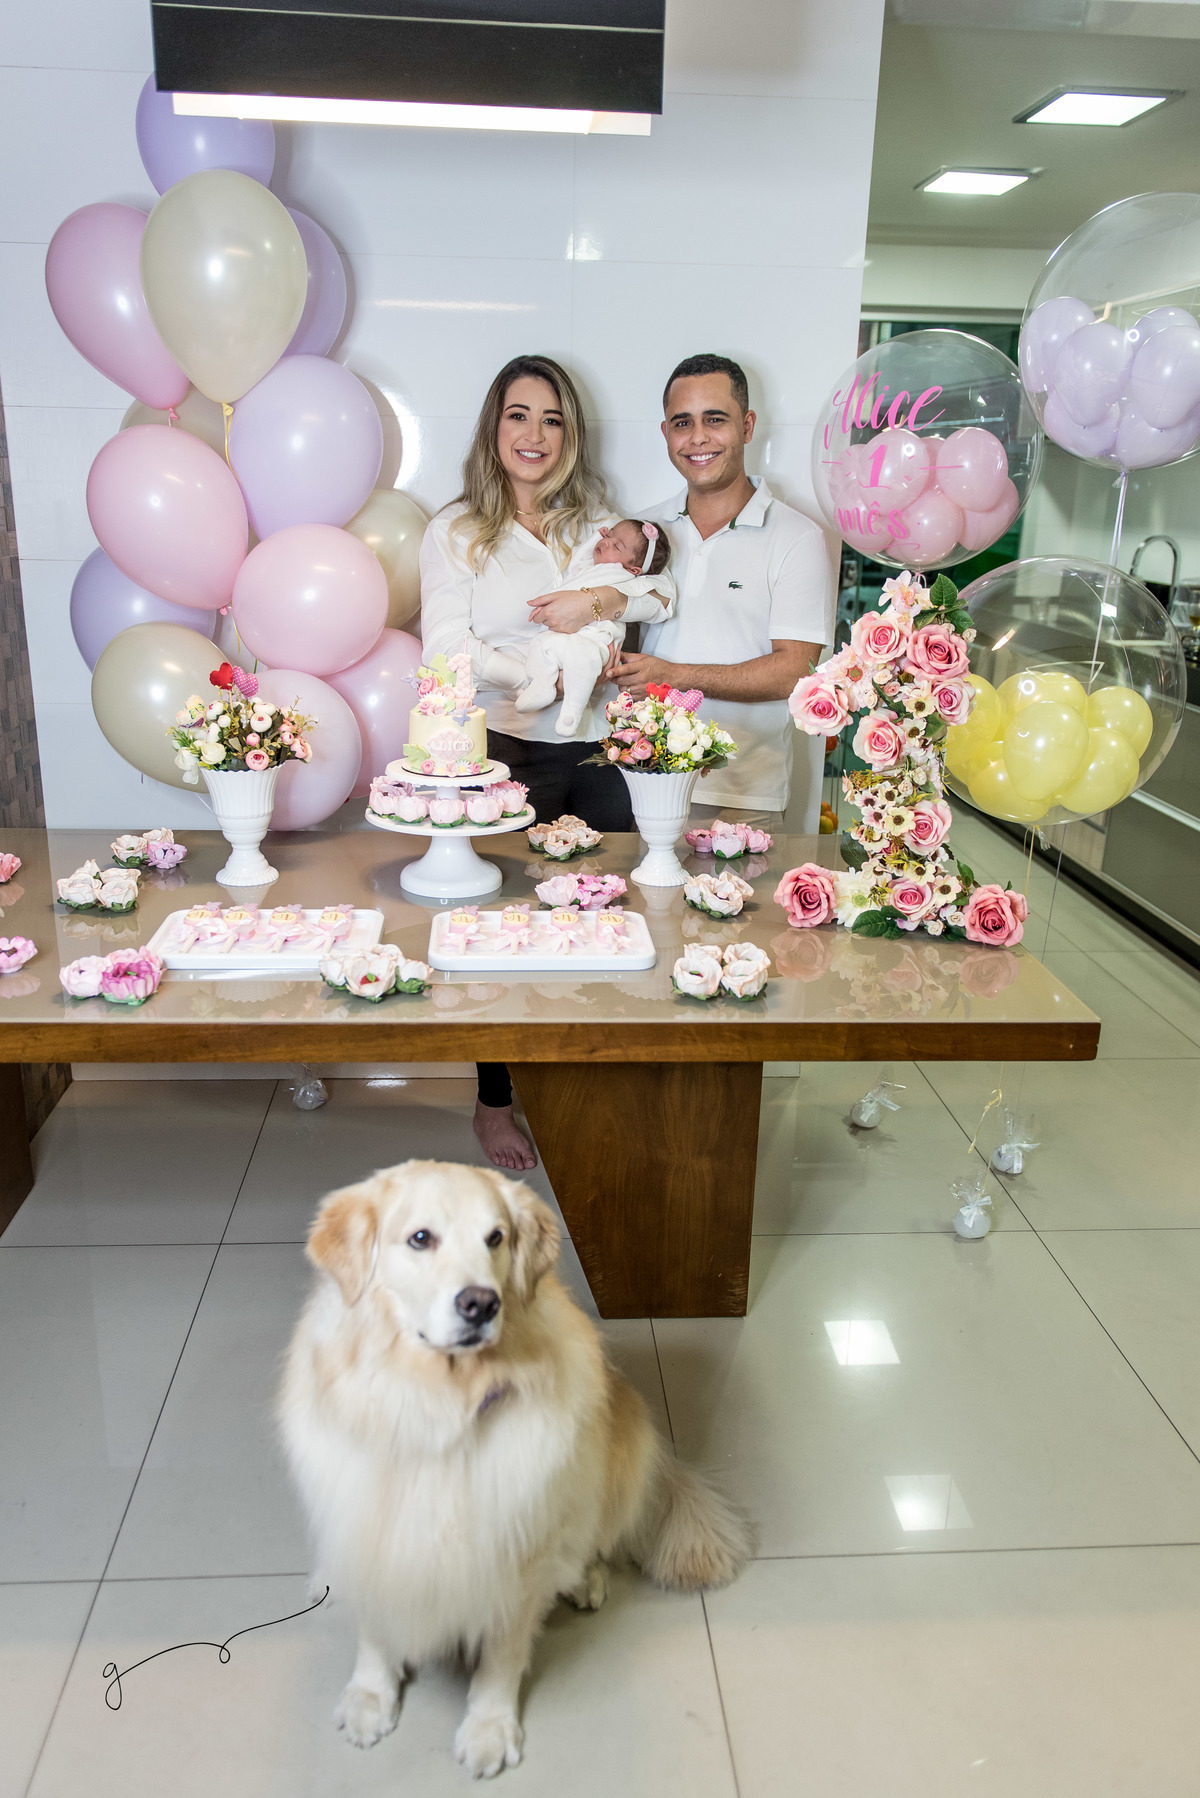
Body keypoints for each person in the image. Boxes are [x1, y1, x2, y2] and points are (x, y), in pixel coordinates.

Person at [421, 355, 669, 1172]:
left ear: (572, 435)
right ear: (494, 428)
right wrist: (535, 676)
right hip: (503, 748)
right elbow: (446, 646)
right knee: (498, 925)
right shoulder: (457, 530)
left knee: (610, 911)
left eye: (553, 419)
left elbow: (656, 590)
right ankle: (494, 1101)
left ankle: (594, 1081)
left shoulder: (597, 521)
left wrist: (596, 600)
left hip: (597, 749)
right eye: (519, 415)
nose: (535, 435)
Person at [614, 353, 833, 828]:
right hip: (648, 783)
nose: (697, 437)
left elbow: (795, 671)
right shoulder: (642, 531)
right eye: (682, 423)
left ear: (747, 426)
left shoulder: (796, 537)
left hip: (745, 797)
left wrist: (674, 676)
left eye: (715, 419)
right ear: (666, 433)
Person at [476, 520, 672, 736]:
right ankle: (541, 686)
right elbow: (579, 558)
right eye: (608, 535)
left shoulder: (621, 574)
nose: (606, 542)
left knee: (580, 663)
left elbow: (662, 593)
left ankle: (571, 713)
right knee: (542, 645)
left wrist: (596, 602)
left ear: (633, 569)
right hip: (564, 637)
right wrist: (595, 538)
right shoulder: (592, 566)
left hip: (593, 639)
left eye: (616, 546)